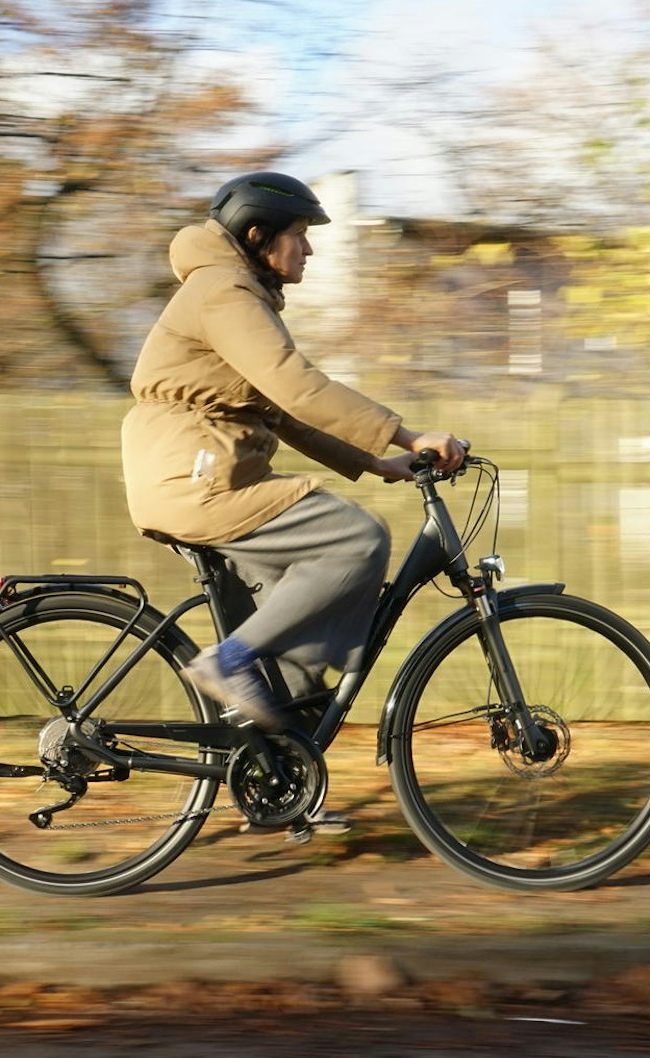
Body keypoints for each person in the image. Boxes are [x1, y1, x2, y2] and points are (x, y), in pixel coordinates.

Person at [120, 171, 466, 733]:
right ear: (258, 235)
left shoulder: (235, 291)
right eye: (300, 234)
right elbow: (297, 386)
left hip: (205, 473)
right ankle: (228, 662)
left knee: (305, 613)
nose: (308, 249)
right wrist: (407, 435)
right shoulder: (223, 292)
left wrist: (378, 462)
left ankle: (284, 751)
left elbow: (281, 411)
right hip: (198, 479)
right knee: (357, 539)